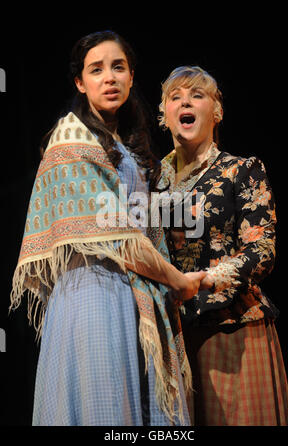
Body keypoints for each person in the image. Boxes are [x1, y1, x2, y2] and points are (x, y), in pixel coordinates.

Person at [10, 32, 205, 426]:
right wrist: (178, 281)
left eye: (118, 67)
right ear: (80, 83)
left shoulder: (126, 143)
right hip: (93, 297)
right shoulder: (71, 137)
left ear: (132, 76)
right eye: (96, 70)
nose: (109, 77)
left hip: (130, 294)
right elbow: (116, 234)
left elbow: (143, 224)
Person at [157, 65, 288, 426]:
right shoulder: (148, 182)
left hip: (230, 331)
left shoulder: (241, 170)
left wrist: (203, 279)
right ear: (164, 114)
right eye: (175, 97)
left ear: (216, 112)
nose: (185, 101)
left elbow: (261, 249)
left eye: (197, 95)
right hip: (170, 339)